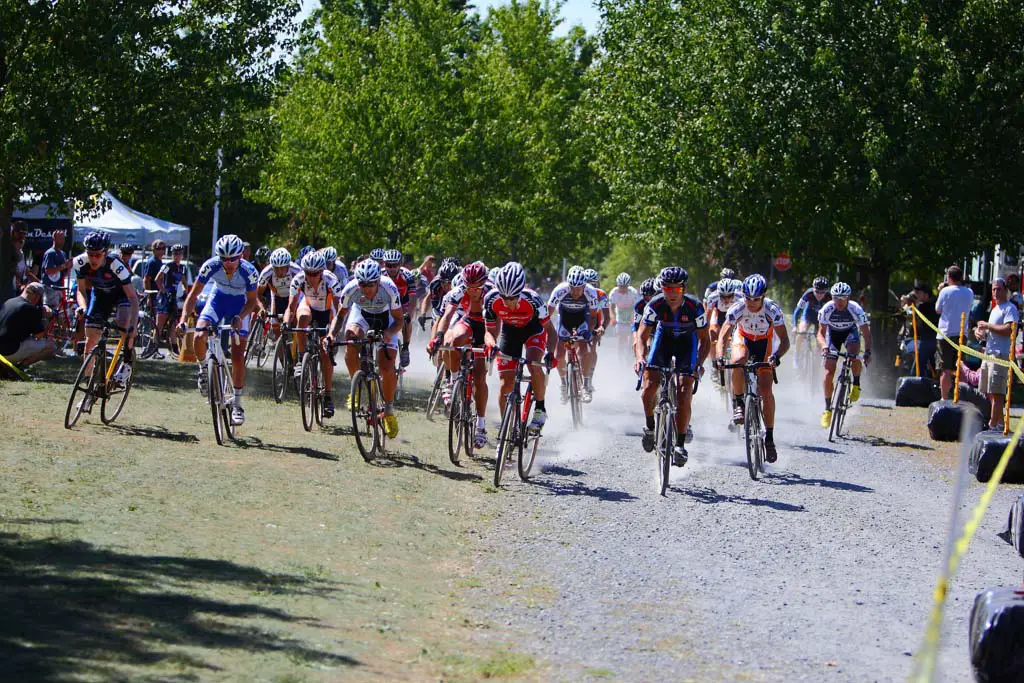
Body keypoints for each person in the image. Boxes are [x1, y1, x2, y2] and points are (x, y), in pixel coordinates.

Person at [178, 235, 260, 426]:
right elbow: (193, 295)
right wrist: (183, 320)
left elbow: (252, 301)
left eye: (233, 259)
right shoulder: (210, 266)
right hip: (218, 300)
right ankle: (203, 368)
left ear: (241, 256)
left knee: (238, 355)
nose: (228, 263)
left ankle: (238, 404)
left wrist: (240, 317)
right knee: (199, 334)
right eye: (224, 258)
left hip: (240, 305)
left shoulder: (249, 271)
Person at [635, 267, 710, 466]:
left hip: (687, 344)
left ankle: (680, 443)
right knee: (649, 386)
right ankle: (651, 427)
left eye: (677, 290)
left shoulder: (695, 307)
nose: (672, 294)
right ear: (662, 289)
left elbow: (705, 340)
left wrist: (699, 365)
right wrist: (641, 358)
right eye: (668, 289)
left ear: (683, 289)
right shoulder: (655, 304)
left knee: (685, 391)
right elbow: (642, 337)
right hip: (663, 341)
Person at [714, 274, 789, 463]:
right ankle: (739, 404)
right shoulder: (737, 308)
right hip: (744, 338)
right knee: (738, 360)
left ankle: (769, 438)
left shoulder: (772, 310)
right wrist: (720, 357)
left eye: (756, 299)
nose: (751, 303)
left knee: (765, 390)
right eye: (748, 298)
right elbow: (722, 337)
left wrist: (776, 357)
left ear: (763, 297)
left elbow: (785, 341)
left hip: (765, 342)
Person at [326, 259, 404, 438]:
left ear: (378, 281)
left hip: (386, 319)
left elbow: (400, 320)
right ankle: (357, 386)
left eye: (370, 285)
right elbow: (340, 316)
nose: (367, 289)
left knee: (387, 366)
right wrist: (331, 334)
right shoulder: (351, 289)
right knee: (351, 337)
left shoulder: (389, 289)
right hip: (362, 315)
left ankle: (389, 410)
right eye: (363, 284)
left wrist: (388, 333)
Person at [484, 262, 558, 433]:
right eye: (505, 298)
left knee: (533, 364)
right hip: (510, 333)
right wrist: (491, 344)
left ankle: (540, 409)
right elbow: (489, 331)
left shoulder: (534, 300)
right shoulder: (491, 300)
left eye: (513, 299)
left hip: (533, 330)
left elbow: (551, 333)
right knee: (505, 384)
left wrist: (550, 352)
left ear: (520, 292)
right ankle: (507, 429)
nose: (509, 303)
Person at [429, 261, 492, 448]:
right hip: (470, 321)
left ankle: (481, 425)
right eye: (469, 287)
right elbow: (446, 316)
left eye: (477, 288)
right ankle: (453, 380)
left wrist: (493, 345)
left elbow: (498, 325)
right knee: (450, 341)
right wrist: (437, 337)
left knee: (480, 377)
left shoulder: (492, 294)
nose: (472, 291)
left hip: (488, 328)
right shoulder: (457, 291)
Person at [73, 231, 140, 395]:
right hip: (101, 294)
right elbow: (81, 290)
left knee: (124, 324)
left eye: (97, 255)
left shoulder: (117, 265)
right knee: (90, 340)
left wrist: (133, 324)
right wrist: (81, 306)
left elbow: (132, 297)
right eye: (90, 254)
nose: (93, 259)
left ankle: (127, 363)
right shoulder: (80, 262)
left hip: (122, 294)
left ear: (106, 253)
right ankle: (89, 385)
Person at [286, 250, 343, 417]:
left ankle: (327, 396)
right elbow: (291, 307)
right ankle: (301, 357)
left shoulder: (331, 280)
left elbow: (340, 310)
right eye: (308, 273)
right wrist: (285, 324)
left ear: (322, 271)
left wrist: (334, 332)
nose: (311, 277)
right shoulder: (298, 280)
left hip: (327, 312)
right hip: (309, 307)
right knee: (302, 317)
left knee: (325, 353)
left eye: (315, 273)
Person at [817, 282, 872, 427]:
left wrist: (867, 352)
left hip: (850, 333)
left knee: (853, 356)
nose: (839, 302)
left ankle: (856, 383)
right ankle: (828, 409)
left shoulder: (856, 309)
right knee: (829, 371)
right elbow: (820, 333)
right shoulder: (827, 308)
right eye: (836, 298)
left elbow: (866, 333)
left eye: (842, 298)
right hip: (833, 335)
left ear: (848, 298)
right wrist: (824, 347)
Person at [547, 266, 600, 403]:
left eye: (579, 289)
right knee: (559, 354)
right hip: (565, 317)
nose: (576, 292)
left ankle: (586, 386)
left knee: (584, 349)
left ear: (584, 286)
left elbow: (594, 316)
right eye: (572, 288)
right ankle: (564, 385)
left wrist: (589, 331)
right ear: (568, 285)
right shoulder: (559, 290)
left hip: (582, 316)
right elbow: (547, 314)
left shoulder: (591, 292)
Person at [974, 277, 1019, 431]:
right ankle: (999, 424)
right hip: (989, 353)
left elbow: (1009, 330)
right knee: (988, 391)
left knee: (997, 392)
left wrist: (988, 326)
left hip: (1000, 355)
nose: (996, 292)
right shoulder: (994, 309)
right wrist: (981, 333)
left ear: (1005, 290)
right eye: (993, 289)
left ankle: (992, 426)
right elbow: (992, 331)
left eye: (999, 289)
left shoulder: (1010, 308)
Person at [935, 265, 975, 400]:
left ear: (949, 277)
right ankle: (961, 397)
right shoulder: (969, 292)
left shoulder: (945, 291)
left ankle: (944, 398)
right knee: (960, 367)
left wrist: (941, 289)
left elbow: (938, 310)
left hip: (945, 333)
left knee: (945, 369)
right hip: (961, 333)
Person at [0, 283, 56, 366]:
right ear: (37, 296)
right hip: (9, 352)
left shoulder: (9, 301)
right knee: (51, 346)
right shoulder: (29, 308)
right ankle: (21, 366)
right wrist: (46, 317)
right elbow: (39, 335)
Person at [381, 249, 417, 368]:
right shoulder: (379, 275)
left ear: (400, 264)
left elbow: (412, 299)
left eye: (395, 265)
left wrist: (409, 314)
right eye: (388, 265)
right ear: (384, 264)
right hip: (385, 304)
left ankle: (405, 348)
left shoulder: (407, 276)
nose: (392, 268)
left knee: (406, 320)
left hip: (403, 303)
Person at [792, 276, 830, 369]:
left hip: (820, 319)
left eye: (822, 292)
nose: (819, 294)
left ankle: (817, 362)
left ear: (826, 291)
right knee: (801, 332)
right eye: (817, 291)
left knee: (820, 340)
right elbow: (797, 310)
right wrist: (794, 326)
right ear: (813, 289)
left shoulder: (829, 297)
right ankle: (796, 356)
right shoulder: (808, 294)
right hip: (808, 316)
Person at [156, 244, 188, 353]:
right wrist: (164, 291)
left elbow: (184, 281)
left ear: (182, 255)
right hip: (164, 297)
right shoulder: (167, 265)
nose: (177, 256)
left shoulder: (182, 268)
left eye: (179, 254)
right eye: (175, 254)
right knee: (160, 324)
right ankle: (154, 348)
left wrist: (186, 292)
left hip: (173, 297)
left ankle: (174, 349)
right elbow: (157, 279)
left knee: (173, 324)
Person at [608, 272, 639, 356]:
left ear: (628, 286)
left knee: (631, 336)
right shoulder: (614, 292)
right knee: (620, 338)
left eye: (625, 287)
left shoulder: (633, 292)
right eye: (621, 286)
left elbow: (636, 308)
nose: (622, 289)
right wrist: (612, 318)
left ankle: (630, 351)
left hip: (631, 311)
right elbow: (611, 307)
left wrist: (633, 318)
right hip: (620, 313)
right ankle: (620, 357)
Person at [39, 229, 72, 309]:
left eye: (63, 238)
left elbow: (63, 274)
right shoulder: (50, 253)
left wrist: (69, 267)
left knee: (60, 313)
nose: (63, 241)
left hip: (60, 288)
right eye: (60, 238)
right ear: (54, 239)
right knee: (50, 313)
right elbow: (48, 270)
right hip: (50, 288)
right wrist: (64, 266)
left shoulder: (63, 253)